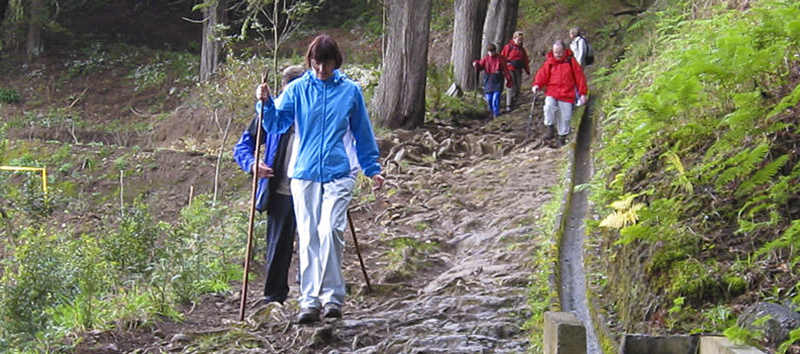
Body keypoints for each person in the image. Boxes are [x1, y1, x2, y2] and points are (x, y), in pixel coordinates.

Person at [255, 34, 384, 324]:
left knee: (330, 231)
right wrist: (265, 103)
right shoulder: (299, 89)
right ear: (310, 62)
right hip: (304, 173)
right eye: (315, 64)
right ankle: (310, 301)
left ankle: (333, 297)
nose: (321, 70)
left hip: (338, 172)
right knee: (310, 236)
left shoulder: (350, 91)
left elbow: (363, 133)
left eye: (325, 64)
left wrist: (371, 167)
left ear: (335, 62)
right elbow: (277, 122)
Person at [233, 65, 305, 306]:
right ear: (283, 89)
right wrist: (253, 165)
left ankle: (309, 293)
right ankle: (273, 298)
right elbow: (242, 147)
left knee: (311, 241)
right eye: (288, 90)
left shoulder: (315, 113)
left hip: (311, 186)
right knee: (277, 245)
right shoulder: (269, 113)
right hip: (280, 190)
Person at [531, 40, 588, 147]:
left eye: (559, 52)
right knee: (549, 107)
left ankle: (562, 137)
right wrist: (537, 85)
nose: (557, 55)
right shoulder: (549, 62)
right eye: (555, 52)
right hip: (552, 91)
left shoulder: (571, 62)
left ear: (564, 51)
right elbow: (542, 74)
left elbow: (580, 78)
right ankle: (550, 128)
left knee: (565, 117)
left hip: (567, 93)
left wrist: (582, 93)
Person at [472, 43, 512, 119]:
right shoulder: (486, 59)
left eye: (492, 51)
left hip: (497, 79)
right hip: (488, 80)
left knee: (495, 98)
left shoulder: (500, 58)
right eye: (489, 52)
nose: (491, 53)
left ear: (495, 51)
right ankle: (491, 111)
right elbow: (480, 66)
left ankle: (496, 113)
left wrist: (508, 78)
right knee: (489, 98)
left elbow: (505, 69)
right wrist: (476, 64)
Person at [501, 31, 531, 112]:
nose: (520, 41)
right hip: (510, 68)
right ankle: (508, 104)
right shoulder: (508, 47)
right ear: (514, 38)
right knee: (510, 85)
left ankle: (514, 101)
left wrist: (527, 71)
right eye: (519, 39)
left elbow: (525, 61)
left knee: (517, 87)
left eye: (521, 40)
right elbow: (502, 58)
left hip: (518, 69)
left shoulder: (522, 50)